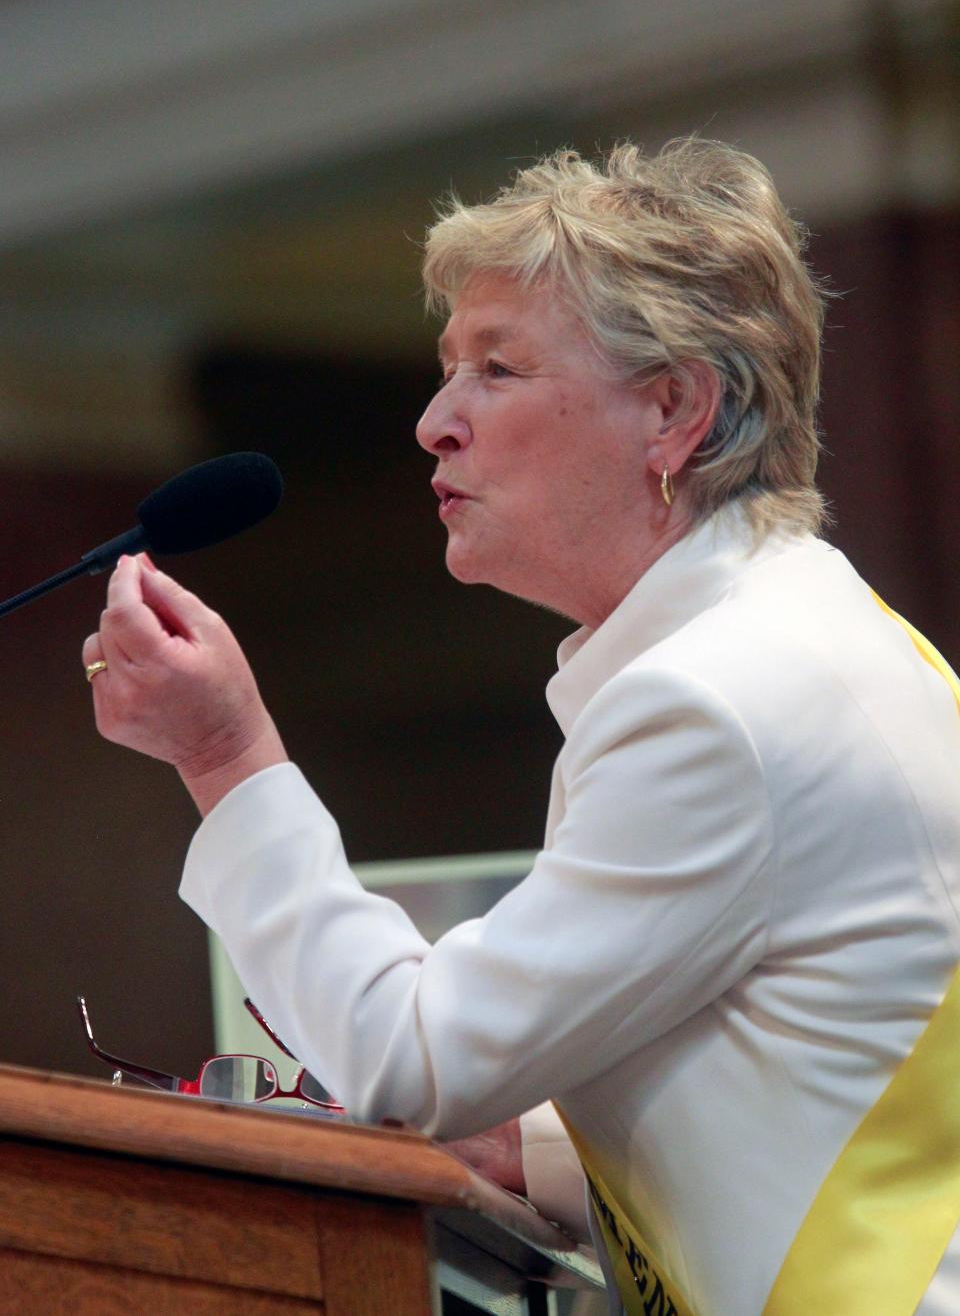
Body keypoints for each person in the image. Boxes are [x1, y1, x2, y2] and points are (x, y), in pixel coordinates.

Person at [82, 139, 960, 1316]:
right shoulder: (813, 633)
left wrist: (227, 758)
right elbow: (792, 1059)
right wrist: (538, 1150)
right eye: (449, 370)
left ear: (671, 410)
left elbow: (408, 1064)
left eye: (495, 368)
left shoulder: (717, 704)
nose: (436, 421)